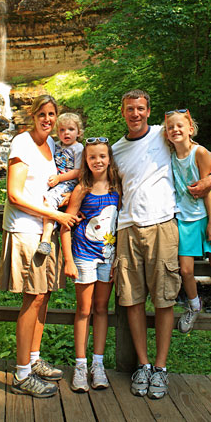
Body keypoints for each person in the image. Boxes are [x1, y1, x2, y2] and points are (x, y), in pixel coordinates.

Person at [112, 89, 211, 399]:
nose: (135, 114)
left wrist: (210, 177)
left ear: (148, 111)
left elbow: (200, 151)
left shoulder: (163, 134)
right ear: (123, 113)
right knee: (131, 300)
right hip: (128, 228)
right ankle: (142, 365)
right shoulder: (116, 149)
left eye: (141, 108)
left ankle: (160, 368)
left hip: (163, 226)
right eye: (130, 109)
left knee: (164, 299)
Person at [0, 94, 79, 398]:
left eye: (52, 114)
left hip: (44, 229)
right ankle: (21, 375)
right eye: (42, 113)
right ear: (32, 115)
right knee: (32, 299)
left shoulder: (52, 146)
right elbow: (15, 195)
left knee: (42, 297)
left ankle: (33, 360)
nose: (47, 119)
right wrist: (54, 214)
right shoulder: (21, 143)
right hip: (25, 230)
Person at [164, 109, 211, 333]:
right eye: (170, 127)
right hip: (184, 219)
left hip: (206, 216)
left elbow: (207, 188)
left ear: (190, 130)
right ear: (166, 133)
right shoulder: (170, 155)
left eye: (180, 126)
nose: (175, 130)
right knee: (185, 270)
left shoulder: (199, 153)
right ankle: (194, 306)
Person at [60, 137, 121, 392]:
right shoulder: (81, 189)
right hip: (84, 256)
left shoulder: (117, 189)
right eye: (92, 157)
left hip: (107, 257)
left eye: (102, 156)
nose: (98, 161)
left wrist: (119, 258)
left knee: (101, 309)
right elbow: (66, 224)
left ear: (109, 159)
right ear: (86, 160)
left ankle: (98, 364)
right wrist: (68, 260)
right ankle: (81, 365)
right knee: (84, 310)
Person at [37, 112, 84, 256]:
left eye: (71, 129)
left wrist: (59, 179)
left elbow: (78, 171)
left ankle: (45, 239)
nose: (66, 133)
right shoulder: (56, 145)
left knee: (48, 203)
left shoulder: (78, 148)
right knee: (45, 201)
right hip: (56, 182)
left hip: (68, 183)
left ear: (78, 132)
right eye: (62, 130)